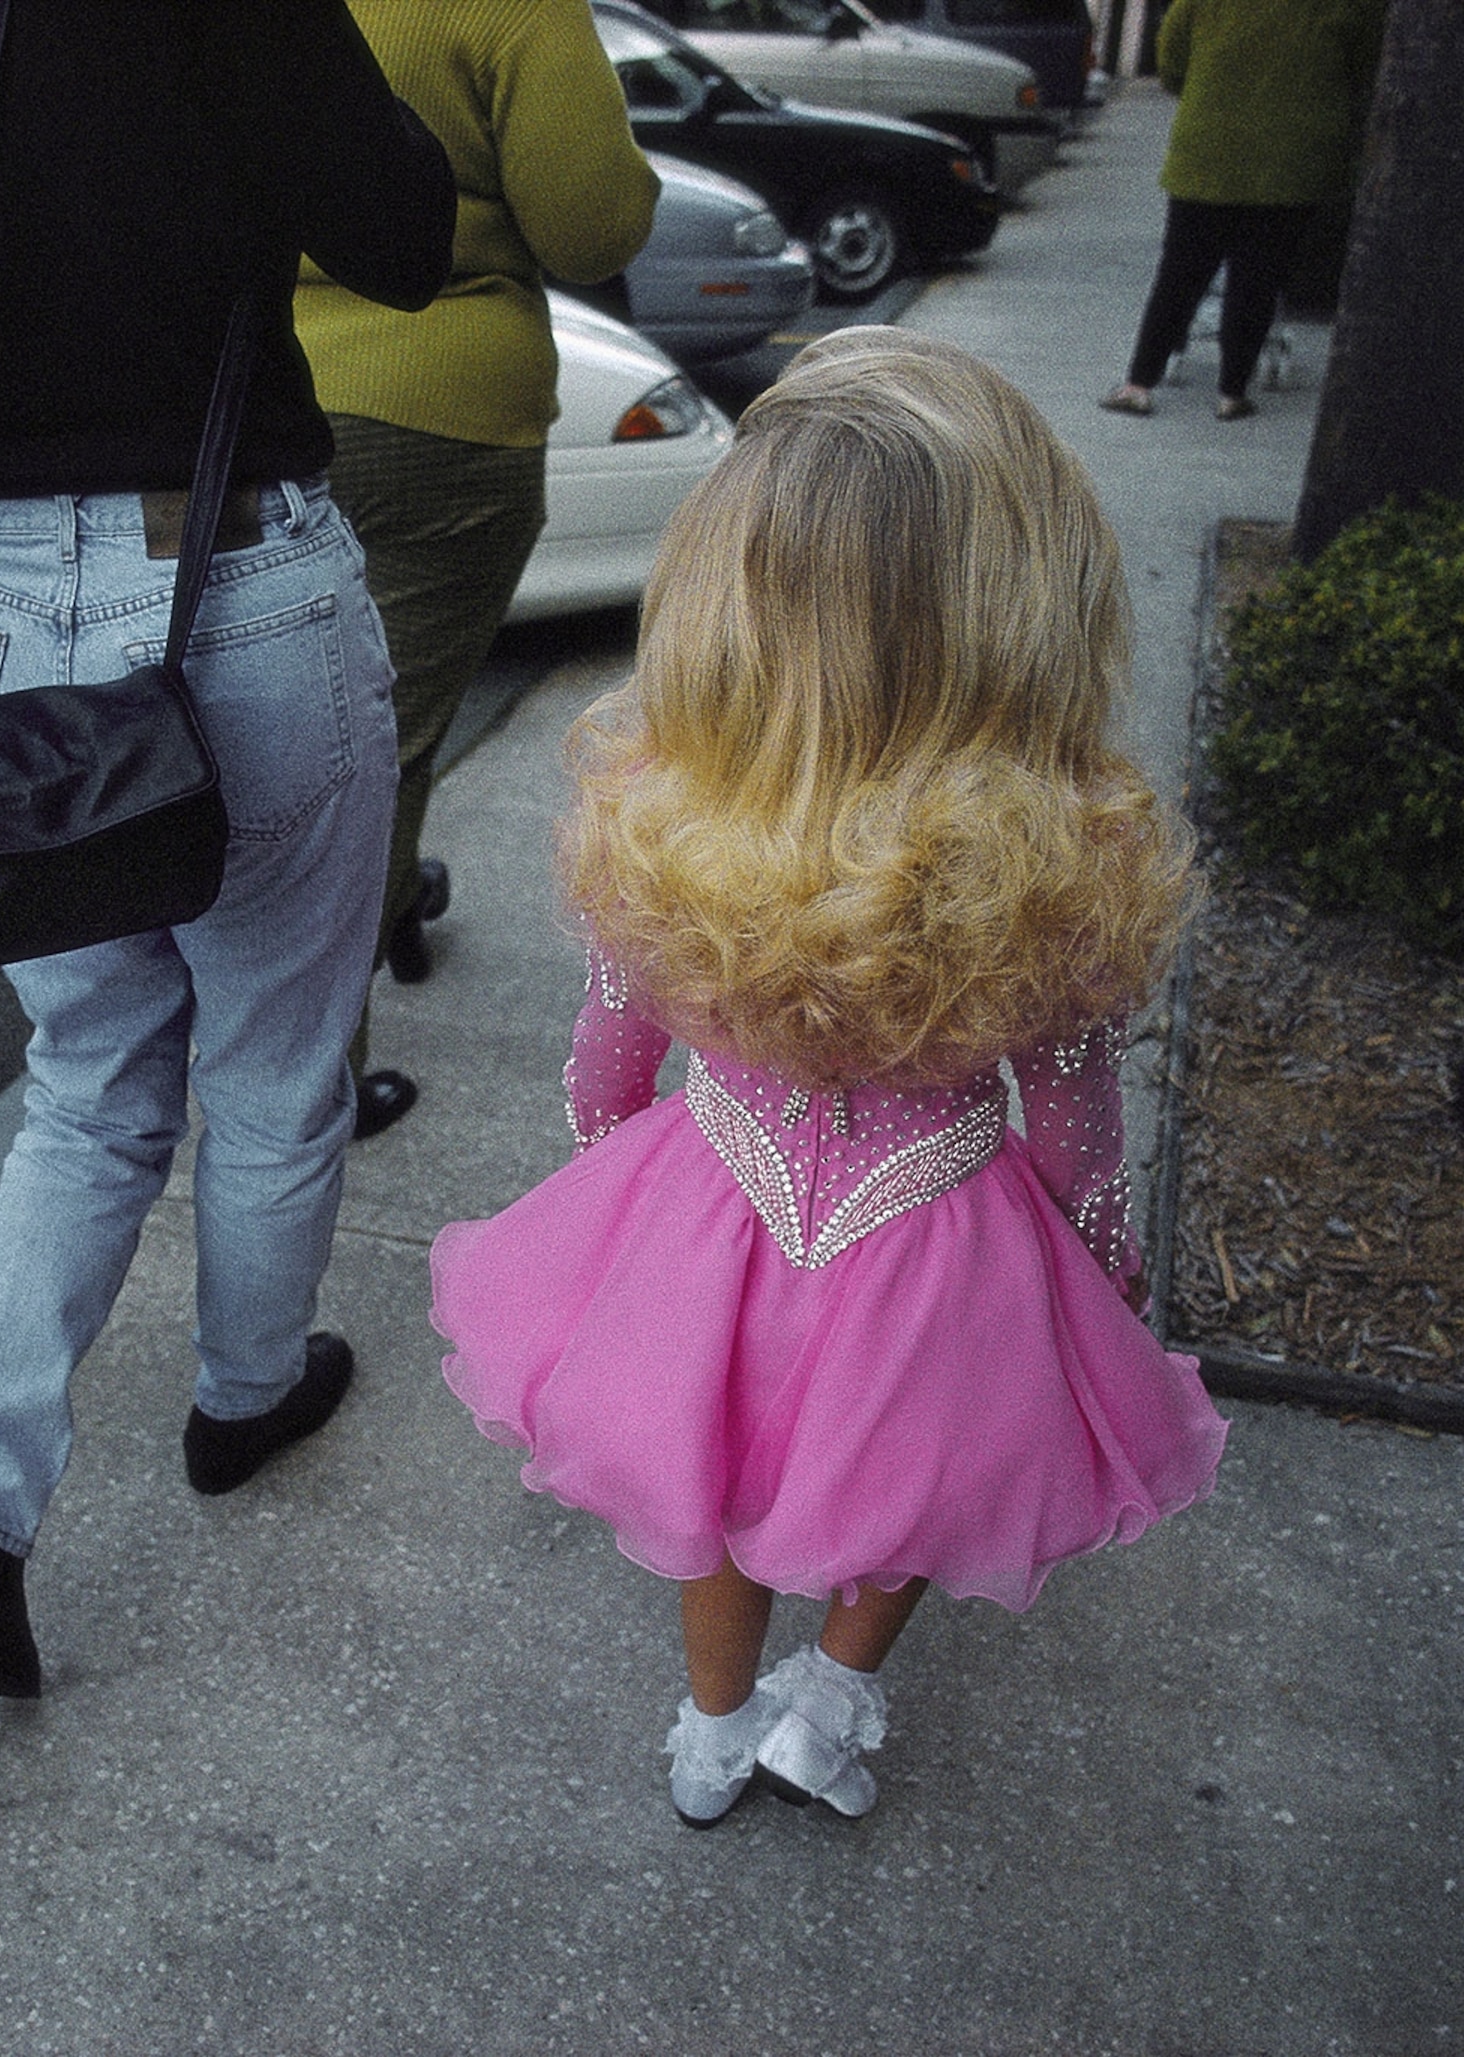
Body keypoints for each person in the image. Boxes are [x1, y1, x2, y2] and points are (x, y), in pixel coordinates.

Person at [429, 330, 1228, 1822]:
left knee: (719, 1496)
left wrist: (621, 1209)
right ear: (1027, 609)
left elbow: (605, 1076)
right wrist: (1100, 1282)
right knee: (919, 1479)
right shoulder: (1051, 871)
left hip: (715, 1207)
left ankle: (714, 1733)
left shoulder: (664, 831)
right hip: (944, 1247)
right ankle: (834, 1703)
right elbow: (1074, 1141)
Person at [0, 0, 453, 1699]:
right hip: (232, 576)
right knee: (278, 1051)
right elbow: (406, 241)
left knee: (86, 1076)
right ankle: (241, 1394)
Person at [293, 0, 661, 1143]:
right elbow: (594, 224)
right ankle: (318, 1085)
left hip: (254, 398)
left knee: (292, 726)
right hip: (438, 412)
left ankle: (394, 906)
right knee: (379, 750)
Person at [1101, 0, 1387, 420]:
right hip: (1294, 157)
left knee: (1179, 275)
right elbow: (1363, 67)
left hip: (1207, 150)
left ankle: (1138, 384)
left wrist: (1210, 89)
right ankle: (1231, 392)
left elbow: (1171, 62)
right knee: (1259, 278)